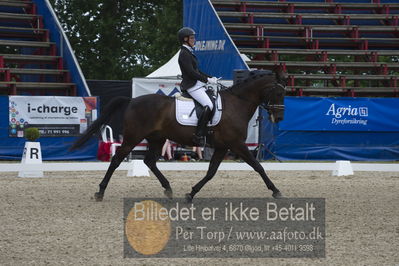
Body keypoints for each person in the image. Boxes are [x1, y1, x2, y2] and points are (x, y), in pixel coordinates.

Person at [177, 27, 218, 146]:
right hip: (191, 86)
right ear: (185, 39)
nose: (194, 40)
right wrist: (206, 80)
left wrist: (211, 78)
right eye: (192, 38)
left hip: (197, 84)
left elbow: (198, 71)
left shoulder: (189, 52)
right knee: (209, 105)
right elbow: (191, 73)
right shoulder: (184, 53)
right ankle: (199, 135)